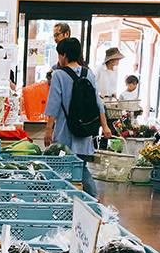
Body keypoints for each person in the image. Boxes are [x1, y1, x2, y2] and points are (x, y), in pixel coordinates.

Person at [44, 37, 112, 197]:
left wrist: (48, 130)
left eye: (59, 55)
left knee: (61, 167)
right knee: (81, 166)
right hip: (84, 129)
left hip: (65, 131)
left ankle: (63, 199)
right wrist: (105, 126)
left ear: (64, 55)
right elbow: (97, 102)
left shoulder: (59, 75)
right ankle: (92, 200)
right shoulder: (88, 73)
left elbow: (53, 104)